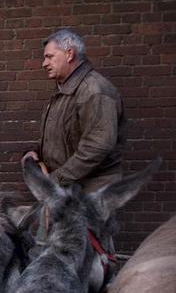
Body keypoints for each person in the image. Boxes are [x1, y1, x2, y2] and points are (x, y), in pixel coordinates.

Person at [22, 28, 126, 192]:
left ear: (69, 54)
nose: (44, 63)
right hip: (70, 190)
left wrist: (54, 181)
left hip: (91, 196)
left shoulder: (94, 90)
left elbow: (97, 147)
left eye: (49, 57)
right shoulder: (64, 89)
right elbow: (62, 136)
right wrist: (33, 152)